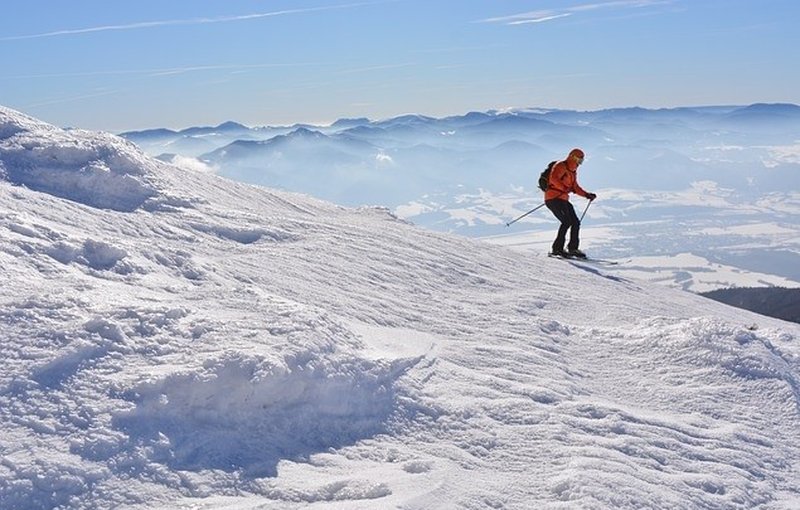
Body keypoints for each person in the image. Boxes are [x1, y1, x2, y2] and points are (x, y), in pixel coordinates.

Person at [545, 148, 597, 258]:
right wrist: (563, 188)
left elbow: (575, 187)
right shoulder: (561, 166)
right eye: (579, 160)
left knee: (575, 222)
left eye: (581, 161)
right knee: (566, 221)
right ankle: (557, 249)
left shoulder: (572, 172)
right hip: (553, 198)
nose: (579, 163)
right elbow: (553, 179)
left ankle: (573, 249)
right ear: (573, 157)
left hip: (563, 199)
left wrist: (587, 195)